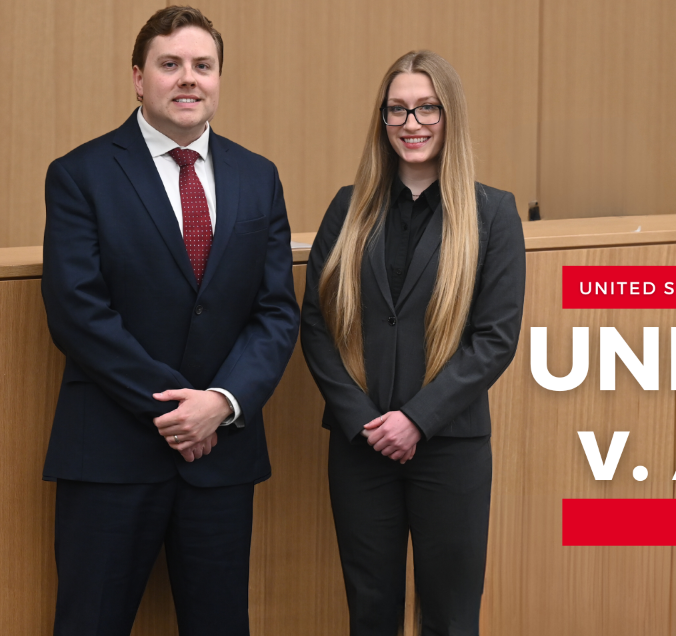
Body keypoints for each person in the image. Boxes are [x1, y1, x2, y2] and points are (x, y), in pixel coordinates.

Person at [40, 6, 299, 635]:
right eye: (171, 64)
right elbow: (77, 311)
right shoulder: (81, 175)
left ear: (217, 79)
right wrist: (179, 412)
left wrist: (222, 403)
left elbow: (275, 312)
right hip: (109, 455)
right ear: (138, 77)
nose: (189, 79)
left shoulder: (257, 178)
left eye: (202, 66)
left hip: (221, 462)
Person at [301, 50, 525, 636]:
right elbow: (317, 324)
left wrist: (416, 421)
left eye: (428, 108)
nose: (412, 123)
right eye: (397, 109)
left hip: (450, 448)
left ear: (450, 116)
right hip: (361, 446)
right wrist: (363, 419)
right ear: (382, 119)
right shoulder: (348, 209)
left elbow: (494, 338)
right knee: (369, 611)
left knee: (450, 617)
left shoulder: (492, 213)